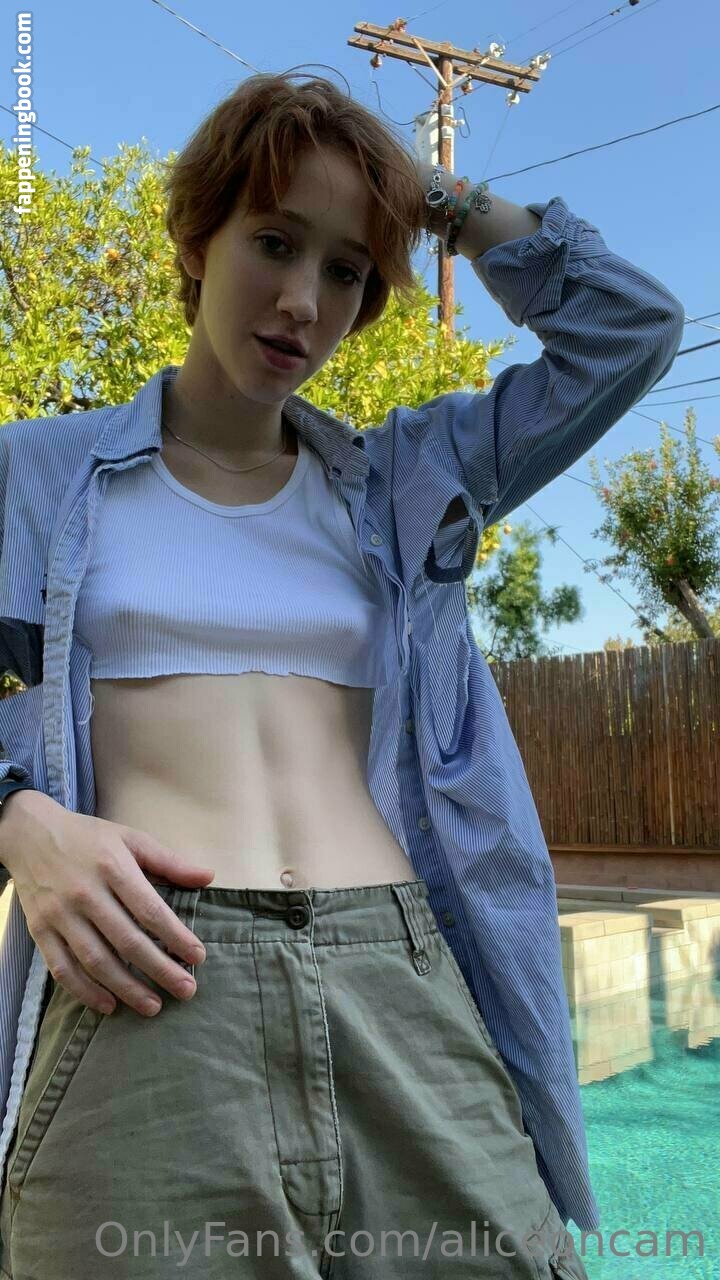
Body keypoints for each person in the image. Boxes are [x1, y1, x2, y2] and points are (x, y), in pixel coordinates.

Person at [0, 70, 683, 1278]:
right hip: (149, 981)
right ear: (197, 237)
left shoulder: (404, 477)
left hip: (395, 967)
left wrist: (429, 199)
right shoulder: (38, 475)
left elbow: (630, 331)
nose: (302, 302)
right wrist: (21, 821)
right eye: (273, 241)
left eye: (348, 269)